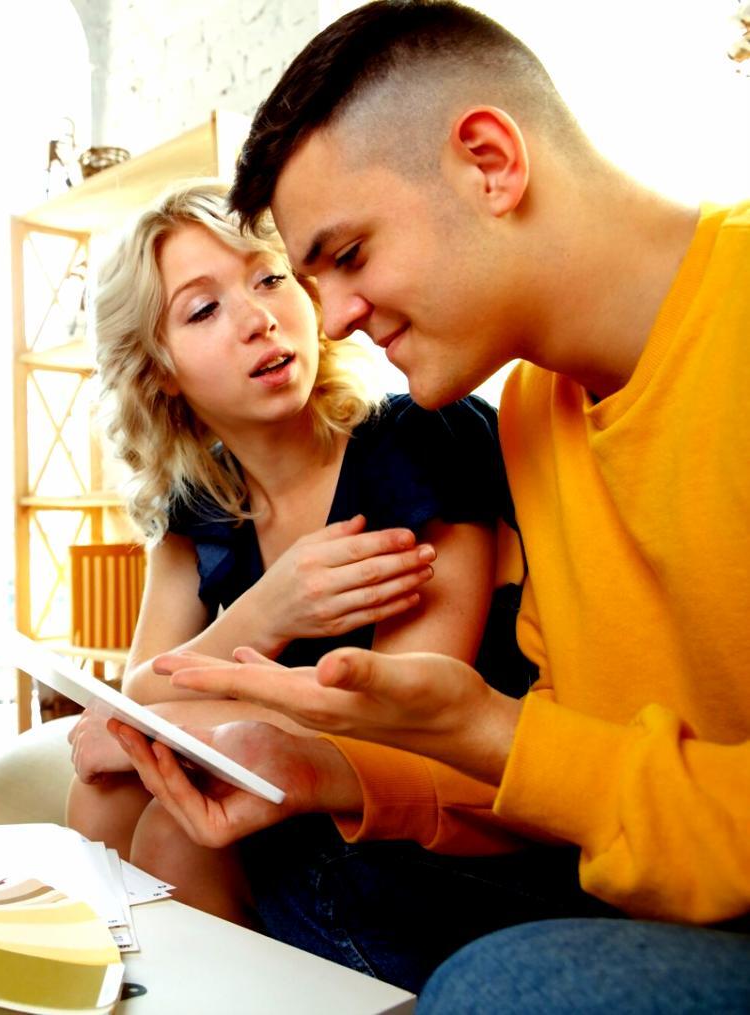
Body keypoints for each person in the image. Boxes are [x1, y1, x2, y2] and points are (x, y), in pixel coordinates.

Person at [109, 2, 750, 1009]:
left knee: (507, 985)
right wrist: (339, 774)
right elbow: (564, 764)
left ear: (489, 162)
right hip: (646, 906)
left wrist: (489, 735)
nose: (324, 321)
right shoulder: (535, 407)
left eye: (346, 256)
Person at [66, 182, 591, 972]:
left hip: (441, 822)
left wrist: (156, 718)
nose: (258, 319)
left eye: (269, 277)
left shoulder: (420, 437)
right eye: (202, 310)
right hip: (290, 796)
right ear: (161, 371)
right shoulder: (197, 507)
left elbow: (403, 717)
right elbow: (131, 698)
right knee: (104, 794)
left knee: (168, 818)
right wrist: (264, 613)